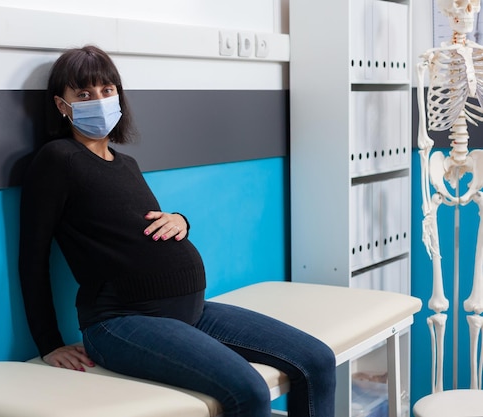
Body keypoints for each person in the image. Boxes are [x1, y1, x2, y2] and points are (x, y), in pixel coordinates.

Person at [18, 45, 336, 417]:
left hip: (190, 310)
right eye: (84, 94)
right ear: (62, 105)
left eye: (107, 90)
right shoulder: (57, 159)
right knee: (249, 391)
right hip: (122, 322)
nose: (99, 100)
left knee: (317, 361)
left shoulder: (126, 163)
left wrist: (181, 220)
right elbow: (32, 256)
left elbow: (138, 223)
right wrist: (48, 342)